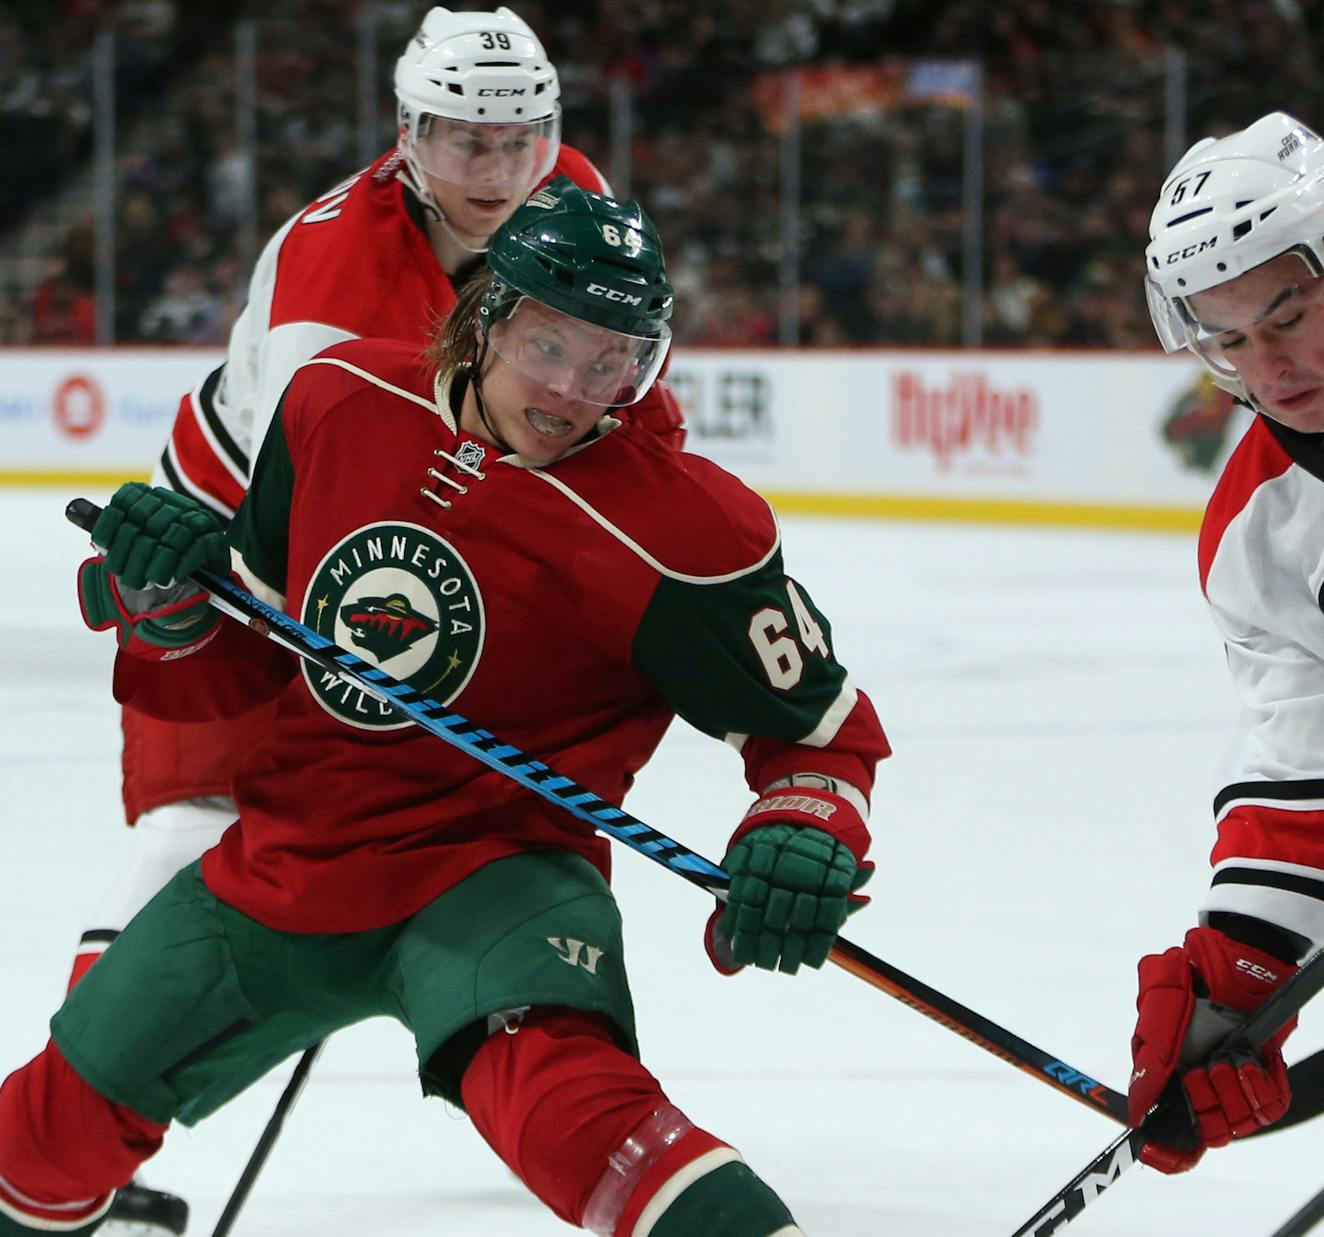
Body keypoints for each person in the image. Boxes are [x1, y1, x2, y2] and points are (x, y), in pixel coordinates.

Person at [0, 179, 889, 1237]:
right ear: (485, 316)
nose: (574, 390)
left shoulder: (684, 528)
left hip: (496, 874)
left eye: (614, 357)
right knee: (37, 1138)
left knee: (578, 1113)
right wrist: (172, 614)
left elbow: (822, 736)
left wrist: (802, 828)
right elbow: (245, 672)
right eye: (550, 345)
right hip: (290, 861)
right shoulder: (335, 401)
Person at [80, 8, 683, 1226]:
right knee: (197, 820)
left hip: (404, 528)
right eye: (464, 140)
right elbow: (305, 512)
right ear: (406, 134)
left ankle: (546, 1072)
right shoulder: (326, 285)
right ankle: (91, 1134)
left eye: (519, 138)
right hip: (244, 531)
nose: (497, 170)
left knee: (492, 838)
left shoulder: (572, 194)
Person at [1133, 109, 1324, 1236]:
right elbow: (1304, 781)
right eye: (1225, 340)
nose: (1269, 367)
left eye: (1287, 315)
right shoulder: (1252, 534)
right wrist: (1237, 982)